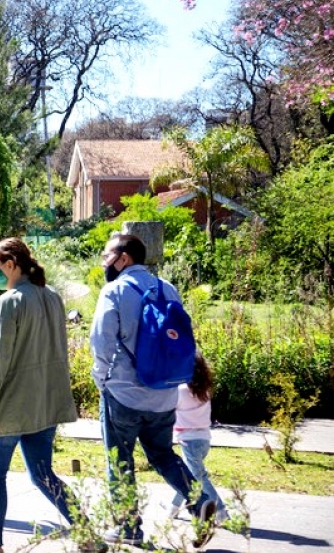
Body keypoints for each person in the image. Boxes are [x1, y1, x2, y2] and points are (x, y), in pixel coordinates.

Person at [90, 233, 216, 547]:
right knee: (162, 455)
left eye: (108, 255)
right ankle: (200, 501)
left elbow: (101, 342)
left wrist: (102, 382)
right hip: (164, 394)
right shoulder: (167, 288)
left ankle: (128, 527)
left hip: (124, 394)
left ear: (123, 257)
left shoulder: (114, 291)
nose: (105, 261)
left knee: (119, 461)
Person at [0, 237, 80, 553]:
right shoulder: (53, 298)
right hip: (44, 406)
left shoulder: (9, 302)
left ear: (11, 265)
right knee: (44, 475)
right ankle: (85, 528)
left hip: (10, 406)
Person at [167, 354, 229, 523]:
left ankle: (221, 511)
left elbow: (168, 408)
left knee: (199, 478)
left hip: (189, 441)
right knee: (189, 476)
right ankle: (173, 508)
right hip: (204, 439)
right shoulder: (205, 391)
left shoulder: (179, 391)